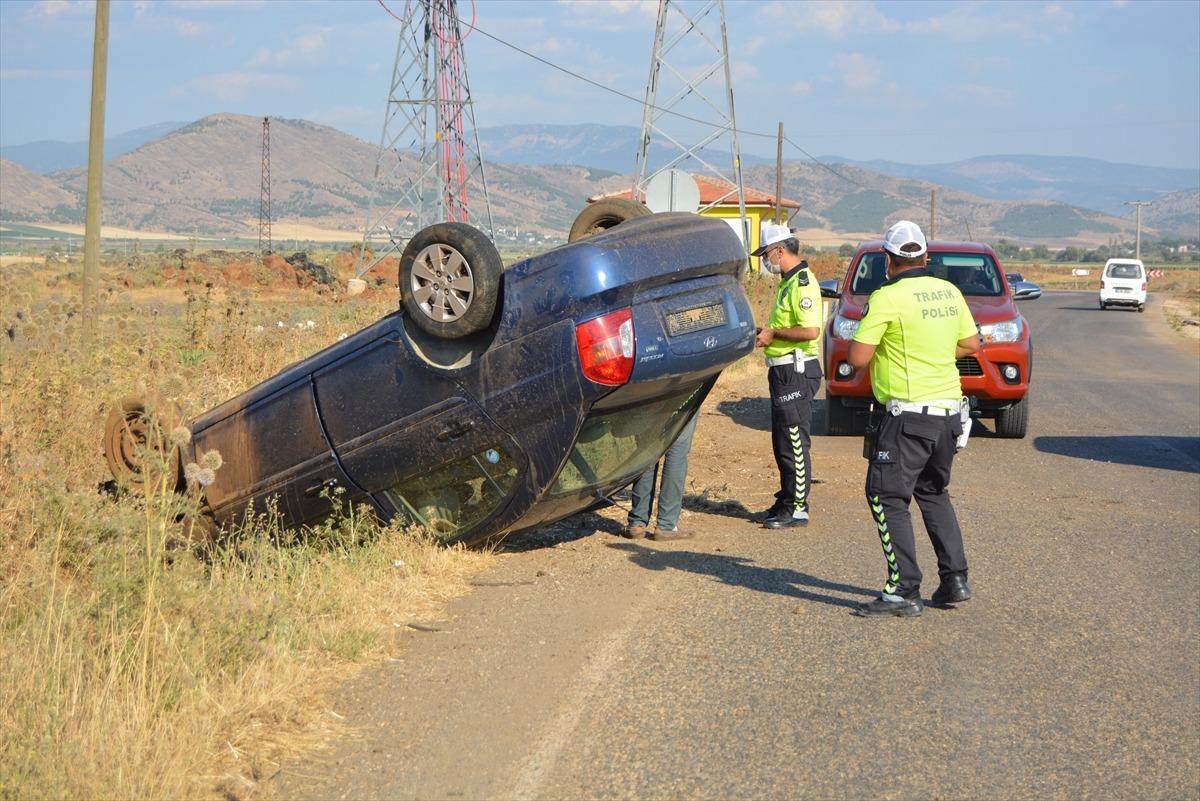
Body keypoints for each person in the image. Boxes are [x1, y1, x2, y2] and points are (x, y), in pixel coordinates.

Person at [846, 220, 979, 618]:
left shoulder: (887, 297)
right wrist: (935, 353)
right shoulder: (950, 291)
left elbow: (857, 359)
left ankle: (903, 589)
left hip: (907, 416)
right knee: (933, 493)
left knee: (885, 496)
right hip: (948, 414)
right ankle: (954, 579)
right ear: (924, 256)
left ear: (889, 261)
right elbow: (971, 343)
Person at [752, 224, 824, 529]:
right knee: (782, 439)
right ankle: (786, 498)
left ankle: (797, 508)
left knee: (794, 439)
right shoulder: (787, 282)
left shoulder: (803, 283)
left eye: (767, 254)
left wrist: (774, 333)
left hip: (795, 370)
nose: (765, 261)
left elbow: (810, 331)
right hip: (781, 370)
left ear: (780, 250)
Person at [622, 414, 698, 541]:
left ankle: (636, 524)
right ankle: (667, 525)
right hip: (684, 398)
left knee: (646, 449)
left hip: (649, 399)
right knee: (677, 453)